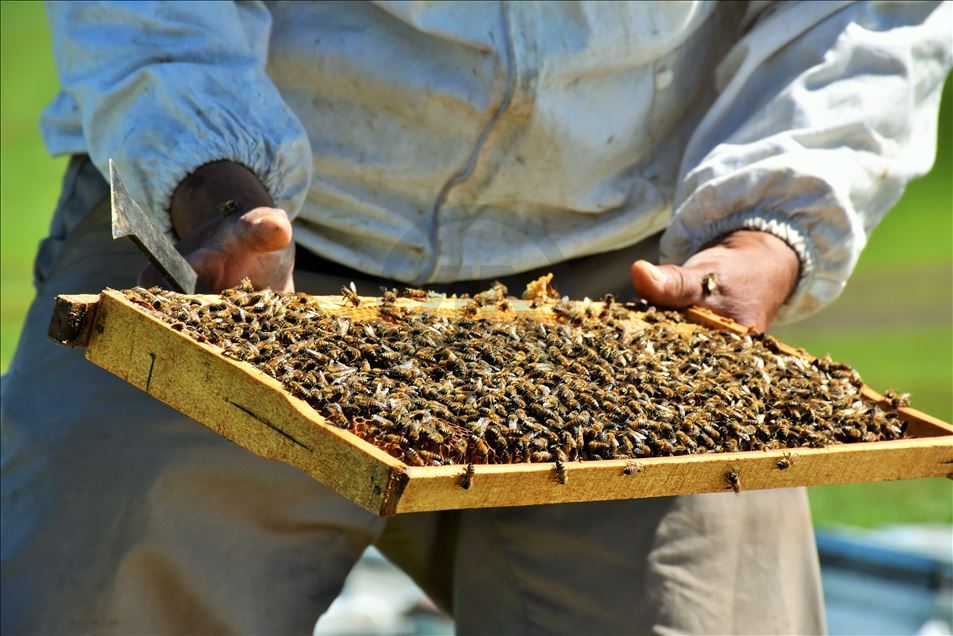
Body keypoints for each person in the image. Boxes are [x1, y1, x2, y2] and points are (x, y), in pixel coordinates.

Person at [2, 1, 950, 633]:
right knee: (97, 597)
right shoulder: (212, 209)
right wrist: (203, 168)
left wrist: (768, 228)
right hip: (224, 242)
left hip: (622, 279)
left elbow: (861, 16)